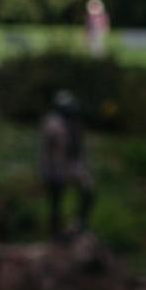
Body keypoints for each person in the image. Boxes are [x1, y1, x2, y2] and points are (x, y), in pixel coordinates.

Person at [37, 90, 93, 238]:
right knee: (56, 201)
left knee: (88, 190)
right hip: (56, 167)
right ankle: (55, 232)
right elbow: (46, 150)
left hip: (74, 164)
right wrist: (47, 171)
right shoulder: (52, 123)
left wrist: (85, 164)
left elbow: (80, 146)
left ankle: (79, 223)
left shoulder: (75, 122)